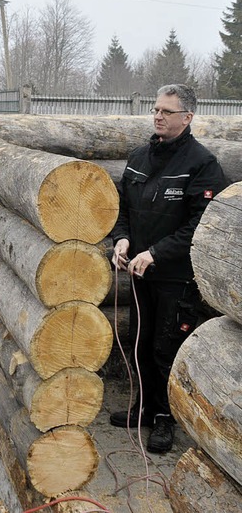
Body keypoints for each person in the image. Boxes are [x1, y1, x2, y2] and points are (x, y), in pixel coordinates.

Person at [110, 84, 228, 453]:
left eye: (166, 111)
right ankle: (144, 407)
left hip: (177, 278)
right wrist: (123, 240)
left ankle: (166, 418)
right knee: (140, 344)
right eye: (156, 110)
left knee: (167, 349)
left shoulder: (201, 164)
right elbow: (123, 210)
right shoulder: (138, 158)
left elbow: (202, 225)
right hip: (140, 272)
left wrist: (158, 252)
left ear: (187, 117)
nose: (158, 116)